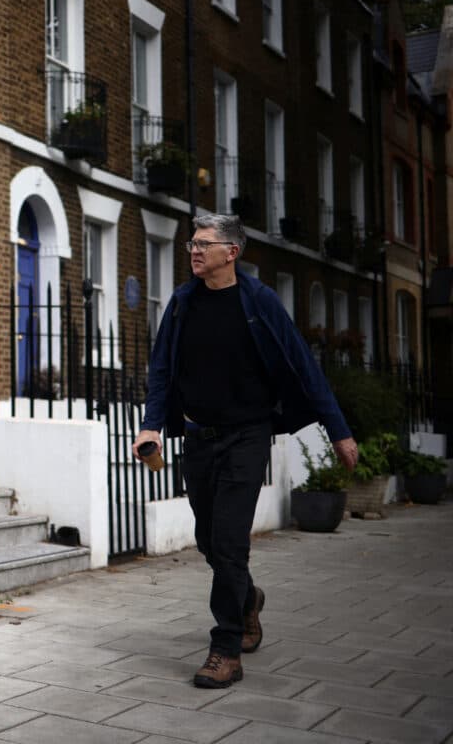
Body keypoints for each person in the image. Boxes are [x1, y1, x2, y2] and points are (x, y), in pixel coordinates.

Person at [132, 213, 357, 689]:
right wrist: (151, 425)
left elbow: (302, 364)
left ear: (231, 253)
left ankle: (225, 649)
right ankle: (248, 598)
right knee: (211, 542)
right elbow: (160, 372)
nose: (193, 250)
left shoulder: (259, 303)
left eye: (203, 244)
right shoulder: (181, 304)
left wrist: (338, 430)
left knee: (230, 541)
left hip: (247, 437)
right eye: (191, 243)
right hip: (198, 436)